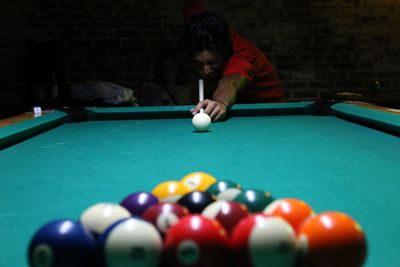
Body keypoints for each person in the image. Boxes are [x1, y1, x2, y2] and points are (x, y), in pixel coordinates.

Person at [179, 0, 283, 121]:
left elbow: (231, 81)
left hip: (265, 112)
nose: (206, 71)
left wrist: (220, 101)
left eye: (212, 62)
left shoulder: (241, 54)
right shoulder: (198, 29)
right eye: (199, 64)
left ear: (223, 54)